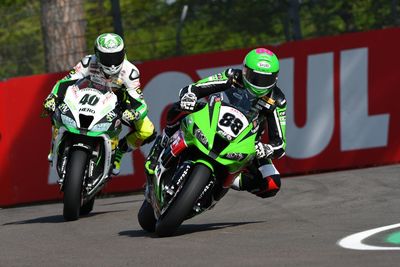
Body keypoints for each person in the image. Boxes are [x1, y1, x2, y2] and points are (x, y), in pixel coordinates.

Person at [145, 48, 286, 198]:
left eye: (265, 80)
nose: (258, 84)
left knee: (272, 183)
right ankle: (161, 145)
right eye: (254, 77)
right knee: (179, 107)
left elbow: (280, 144)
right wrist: (190, 96)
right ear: (244, 71)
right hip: (212, 119)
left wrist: (266, 149)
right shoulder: (233, 76)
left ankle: (232, 179)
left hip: (246, 144)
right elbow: (196, 88)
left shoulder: (277, 100)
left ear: (275, 79)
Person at [43, 33, 156, 175]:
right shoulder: (88, 62)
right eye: (108, 57)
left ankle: (118, 152)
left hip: (119, 104)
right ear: (97, 54)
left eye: (116, 56)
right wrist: (52, 97)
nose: (113, 62)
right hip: (89, 98)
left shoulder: (130, 71)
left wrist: (134, 113)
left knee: (147, 131)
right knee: (54, 108)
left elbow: (139, 101)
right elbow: (66, 81)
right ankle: (55, 145)